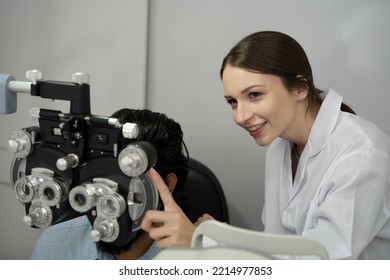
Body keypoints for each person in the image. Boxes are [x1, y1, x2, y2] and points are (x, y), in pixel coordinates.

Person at [141, 31, 390, 260]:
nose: (240, 116)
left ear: (301, 88)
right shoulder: (279, 149)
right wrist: (218, 237)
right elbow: (277, 248)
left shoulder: (362, 154)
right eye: (232, 102)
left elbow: (319, 264)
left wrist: (203, 244)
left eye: (255, 95)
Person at [31, 108, 189, 260]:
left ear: (168, 183)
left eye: (126, 178)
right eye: (100, 173)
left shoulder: (194, 259)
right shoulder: (53, 246)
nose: (109, 194)